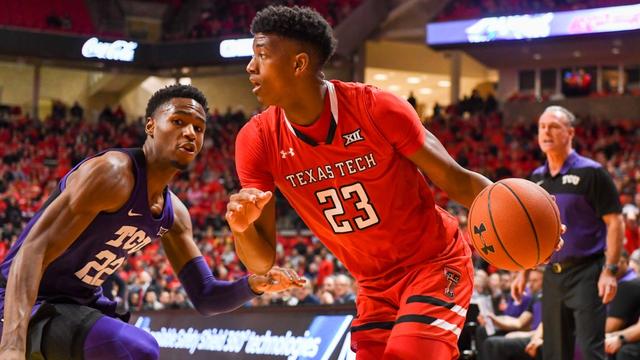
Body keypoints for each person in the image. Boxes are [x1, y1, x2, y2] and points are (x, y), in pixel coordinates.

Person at [227, 5, 496, 359]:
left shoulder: (377, 108)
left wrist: (520, 206)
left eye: (261, 55)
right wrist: (242, 228)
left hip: (433, 262)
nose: (250, 66)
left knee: (407, 353)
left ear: (298, 64)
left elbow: (455, 179)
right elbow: (260, 262)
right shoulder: (257, 140)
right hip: (373, 285)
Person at [0, 84, 304, 360]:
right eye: (178, 122)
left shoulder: (175, 215)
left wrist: (253, 285)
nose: (190, 133)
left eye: (199, 128)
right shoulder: (113, 173)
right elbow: (32, 251)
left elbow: (206, 297)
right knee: (135, 347)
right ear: (150, 126)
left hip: (75, 306)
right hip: (19, 301)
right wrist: (12, 346)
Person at [512, 105, 624, 360]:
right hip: (552, 274)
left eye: (553, 126)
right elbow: (531, 231)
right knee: (554, 351)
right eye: (542, 127)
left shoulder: (592, 172)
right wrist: (522, 272)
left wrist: (610, 271)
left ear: (570, 132)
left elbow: (615, 222)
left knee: (589, 350)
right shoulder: (536, 177)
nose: (546, 132)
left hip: (587, 272)